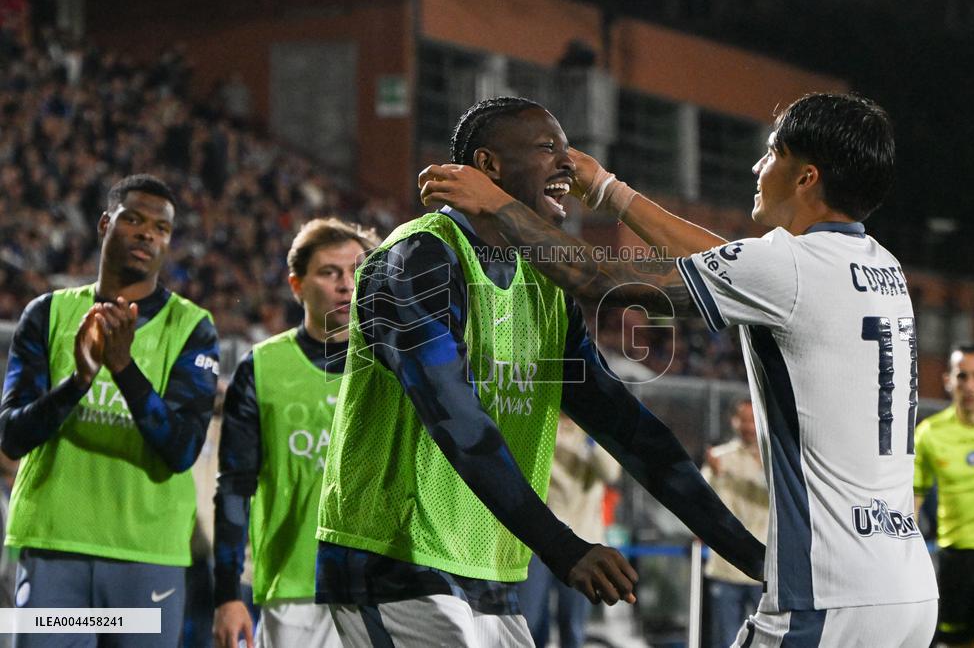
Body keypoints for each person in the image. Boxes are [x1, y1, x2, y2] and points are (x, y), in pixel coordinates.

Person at [422, 92, 939, 647]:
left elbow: (604, 282)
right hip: (907, 586)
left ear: (806, 177)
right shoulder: (879, 266)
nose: (758, 167)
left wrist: (499, 205)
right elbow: (733, 264)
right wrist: (608, 191)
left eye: (771, 154)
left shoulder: (786, 269)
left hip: (830, 594)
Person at [316, 96, 765, 647]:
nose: (568, 164)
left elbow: (628, 428)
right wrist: (564, 546)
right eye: (548, 147)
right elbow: (456, 421)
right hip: (394, 563)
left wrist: (754, 556)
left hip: (490, 568)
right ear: (489, 167)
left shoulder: (543, 283)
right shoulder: (418, 259)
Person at [0, 174, 219, 647]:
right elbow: (12, 436)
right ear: (105, 224)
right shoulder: (47, 313)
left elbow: (182, 449)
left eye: (160, 228)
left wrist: (122, 368)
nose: (147, 234)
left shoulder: (192, 327)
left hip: (146, 558)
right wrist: (78, 382)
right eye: (134, 220)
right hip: (55, 549)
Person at [212, 217, 378, 648]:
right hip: (295, 588)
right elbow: (233, 487)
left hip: (386, 589)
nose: (346, 284)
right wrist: (227, 595)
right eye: (330, 272)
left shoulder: (395, 366)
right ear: (296, 285)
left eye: (357, 272)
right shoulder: (262, 367)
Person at [914, 344, 974, 648]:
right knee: (953, 644)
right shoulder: (930, 434)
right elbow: (914, 497)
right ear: (948, 380)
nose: (970, 385)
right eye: (962, 376)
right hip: (954, 558)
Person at [518, 413, 621, 648]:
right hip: (540, 541)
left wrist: (588, 441)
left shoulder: (594, 430)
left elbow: (611, 472)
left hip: (583, 543)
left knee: (572, 625)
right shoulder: (542, 423)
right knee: (529, 623)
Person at [702, 398, 768, 648]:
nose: (749, 426)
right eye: (744, 419)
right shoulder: (719, 458)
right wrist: (716, 474)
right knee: (725, 641)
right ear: (734, 421)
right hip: (726, 568)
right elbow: (702, 499)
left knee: (769, 641)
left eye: (753, 419)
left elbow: (773, 496)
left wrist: (734, 475)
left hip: (766, 569)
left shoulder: (775, 457)